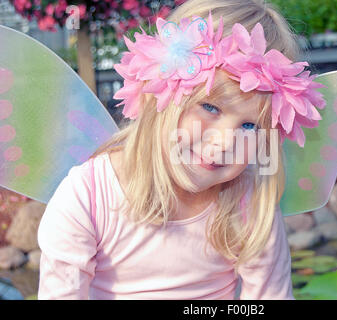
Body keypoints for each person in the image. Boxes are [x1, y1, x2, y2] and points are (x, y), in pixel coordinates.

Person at [37, 0, 322, 299]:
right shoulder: (89, 195)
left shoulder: (248, 202)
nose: (224, 142)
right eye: (209, 106)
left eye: (249, 126)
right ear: (157, 93)